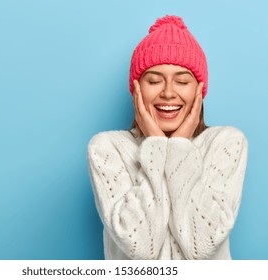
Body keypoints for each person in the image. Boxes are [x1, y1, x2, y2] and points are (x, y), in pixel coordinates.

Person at [87, 15, 248, 260]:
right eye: (154, 81)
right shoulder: (107, 148)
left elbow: (201, 246)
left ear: (199, 90)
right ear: (136, 89)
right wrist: (156, 145)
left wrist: (179, 146)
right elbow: (141, 246)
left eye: (182, 81)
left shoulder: (226, 143)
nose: (169, 93)